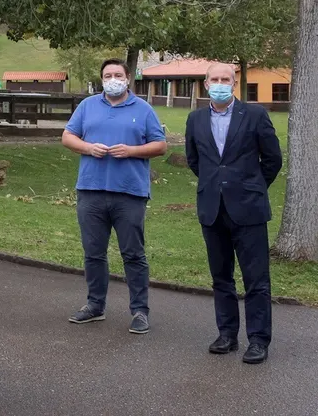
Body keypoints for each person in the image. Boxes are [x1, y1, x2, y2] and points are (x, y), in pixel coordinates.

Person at [185, 63, 282, 364]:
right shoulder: (195, 119)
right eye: (214, 79)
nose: (220, 83)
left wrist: (251, 187)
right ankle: (227, 334)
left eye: (225, 79)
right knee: (221, 277)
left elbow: (273, 159)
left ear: (234, 83)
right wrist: (218, 186)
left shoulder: (255, 115)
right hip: (212, 209)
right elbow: (194, 160)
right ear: (205, 84)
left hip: (249, 209)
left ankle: (258, 340)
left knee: (256, 279)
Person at [61, 58, 166, 334]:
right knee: (93, 253)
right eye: (108, 75)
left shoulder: (143, 109)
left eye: (118, 74)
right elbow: (67, 137)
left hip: (129, 193)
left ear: (128, 77)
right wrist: (87, 147)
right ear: (102, 79)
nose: (113, 79)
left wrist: (131, 151)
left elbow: (160, 145)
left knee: (133, 254)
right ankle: (95, 306)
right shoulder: (88, 106)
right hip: (91, 190)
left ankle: (140, 311)